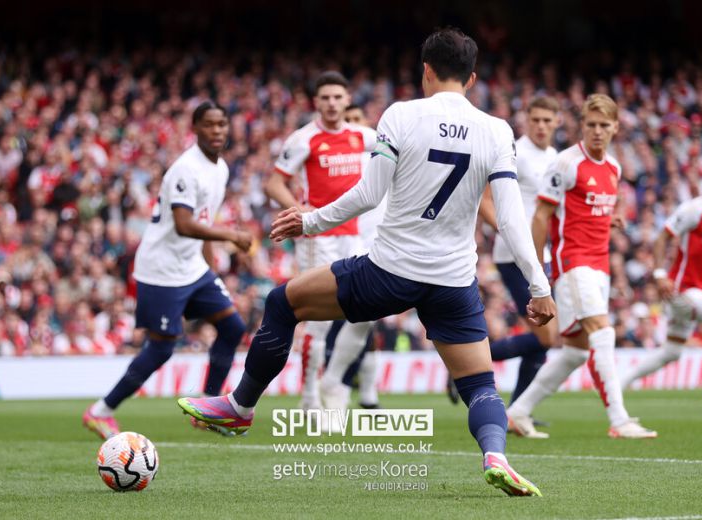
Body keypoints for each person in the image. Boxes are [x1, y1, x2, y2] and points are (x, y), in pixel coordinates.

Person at [180, 27, 556, 497]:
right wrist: (540, 287)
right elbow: (512, 221)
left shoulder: (400, 115)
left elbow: (369, 193)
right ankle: (495, 456)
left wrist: (310, 221)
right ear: (472, 78)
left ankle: (240, 407)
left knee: (282, 303)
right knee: (480, 383)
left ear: (426, 71)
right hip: (453, 281)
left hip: (389, 272)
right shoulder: (497, 130)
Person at [82, 102, 253, 439]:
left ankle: (208, 408)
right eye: (209, 124)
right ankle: (100, 411)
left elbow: (203, 221)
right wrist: (231, 235)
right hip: (161, 270)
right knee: (161, 348)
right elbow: (185, 224)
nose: (217, 130)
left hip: (192, 267)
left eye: (222, 124)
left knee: (233, 327)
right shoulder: (185, 169)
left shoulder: (220, 169)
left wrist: (210, 264)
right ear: (195, 128)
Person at [506, 94, 658, 439]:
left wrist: (611, 218)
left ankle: (517, 412)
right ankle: (619, 420)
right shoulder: (565, 163)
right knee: (603, 332)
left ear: (616, 127)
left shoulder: (614, 167)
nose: (597, 131)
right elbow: (541, 217)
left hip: (600, 266)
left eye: (604, 125)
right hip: (573, 264)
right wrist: (537, 271)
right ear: (581, 126)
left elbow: (593, 208)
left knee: (574, 353)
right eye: (591, 125)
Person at [264, 72, 376, 411]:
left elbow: (399, 154)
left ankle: (334, 379)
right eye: (325, 97)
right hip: (318, 237)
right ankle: (309, 396)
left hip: (353, 235)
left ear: (347, 100)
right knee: (319, 319)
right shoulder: (304, 139)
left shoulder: (363, 136)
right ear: (316, 102)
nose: (331, 103)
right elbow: (274, 183)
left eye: (337, 97)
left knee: (369, 309)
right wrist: (299, 211)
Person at [620, 157, 702, 411]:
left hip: (696, 291)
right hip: (682, 290)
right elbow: (662, 238)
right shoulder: (695, 209)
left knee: (672, 352)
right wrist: (660, 274)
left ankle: (620, 383)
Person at [470, 97, 561, 409]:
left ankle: (519, 411)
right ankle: (467, 363)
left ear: (557, 122)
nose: (541, 126)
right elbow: (485, 200)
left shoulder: (554, 157)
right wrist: (509, 232)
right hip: (513, 256)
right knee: (547, 335)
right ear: (526, 120)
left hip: (541, 256)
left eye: (547, 120)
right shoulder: (515, 151)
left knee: (542, 340)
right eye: (535, 119)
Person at [321, 104, 385, 416]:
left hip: (378, 248)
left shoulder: (383, 157)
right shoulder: (340, 164)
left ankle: (347, 388)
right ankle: (331, 388)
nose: (355, 128)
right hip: (346, 247)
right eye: (350, 121)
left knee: (365, 321)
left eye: (360, 121)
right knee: (341, 322)